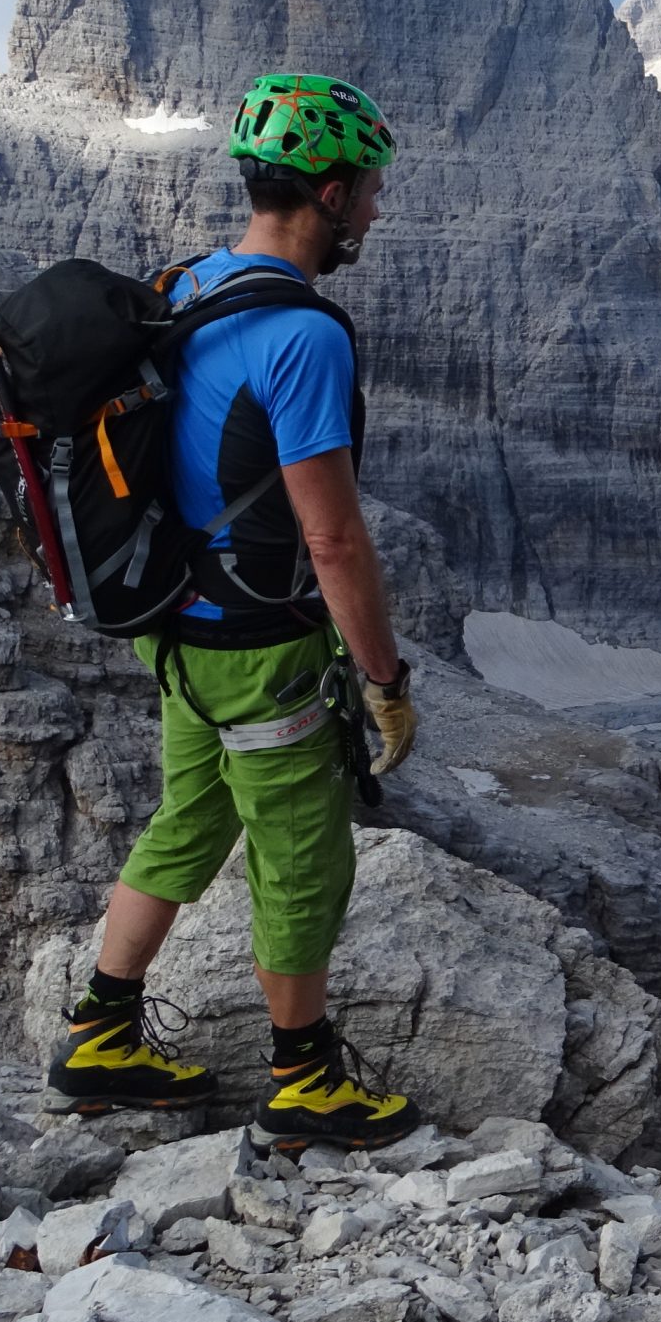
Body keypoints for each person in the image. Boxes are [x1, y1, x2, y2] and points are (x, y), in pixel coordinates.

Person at [46, 73, 423, 1155]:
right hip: (261, 650)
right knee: (303, 854)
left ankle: (102, 1030)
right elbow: (333, 539)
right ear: (333, 194)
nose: (376, 213)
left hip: (176, 628)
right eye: (369, 193)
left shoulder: (193, 282)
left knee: (192, 818)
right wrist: (383, 681)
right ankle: (306, 1080)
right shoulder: (303, 338)